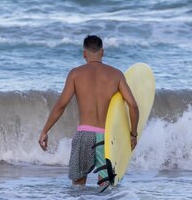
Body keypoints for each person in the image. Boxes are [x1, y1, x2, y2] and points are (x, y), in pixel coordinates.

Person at [38, 35, 139, 186]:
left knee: (78, 185)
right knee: (106, 186)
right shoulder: (116, 74)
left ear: (84, 53)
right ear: (102, 52)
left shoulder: (75, 74)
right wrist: (133, 134)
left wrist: (45, 130)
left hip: (84, 134)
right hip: (107, 137)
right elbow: (133, 106)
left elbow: (61, 106)